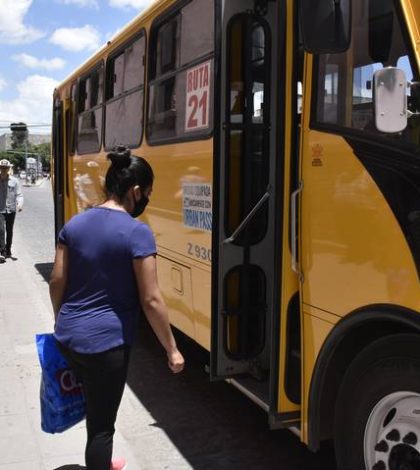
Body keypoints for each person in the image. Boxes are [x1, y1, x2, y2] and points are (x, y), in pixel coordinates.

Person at [49, 146, 185, 470]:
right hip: (107, 345)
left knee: (93, 409)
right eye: (148, 193)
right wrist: (172, 349)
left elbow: (56, 281)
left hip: (69, 337)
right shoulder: (138, 233)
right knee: (101, 428)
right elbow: (151, 300)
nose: (146, 199)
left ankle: (103, 463)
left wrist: (62, 320)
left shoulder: (75, 225)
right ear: (136, 191)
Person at [0, 159, 23, 263]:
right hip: (0, 210)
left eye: (5, 168)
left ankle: (8, 249)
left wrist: (20, 203)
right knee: (1, 230)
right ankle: (2, 252)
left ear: (9, 169)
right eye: (2, 168)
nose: (4, 170)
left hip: (11, 209)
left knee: (9, 230)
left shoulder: (15, 181)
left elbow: (19, 194)